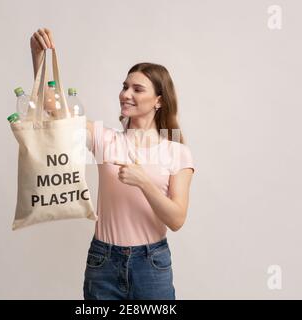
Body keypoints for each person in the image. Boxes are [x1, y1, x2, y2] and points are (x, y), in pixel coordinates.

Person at [30, 28, 196, 300]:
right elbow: (52, 107)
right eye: (124, 86)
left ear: (159, 101)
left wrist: (143, 182)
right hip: (103, 261)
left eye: (137, 89)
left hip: (151, 264)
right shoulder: (103, 138)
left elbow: (177, 219)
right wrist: (38, 58)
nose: (126, 94)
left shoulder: (176, 152)